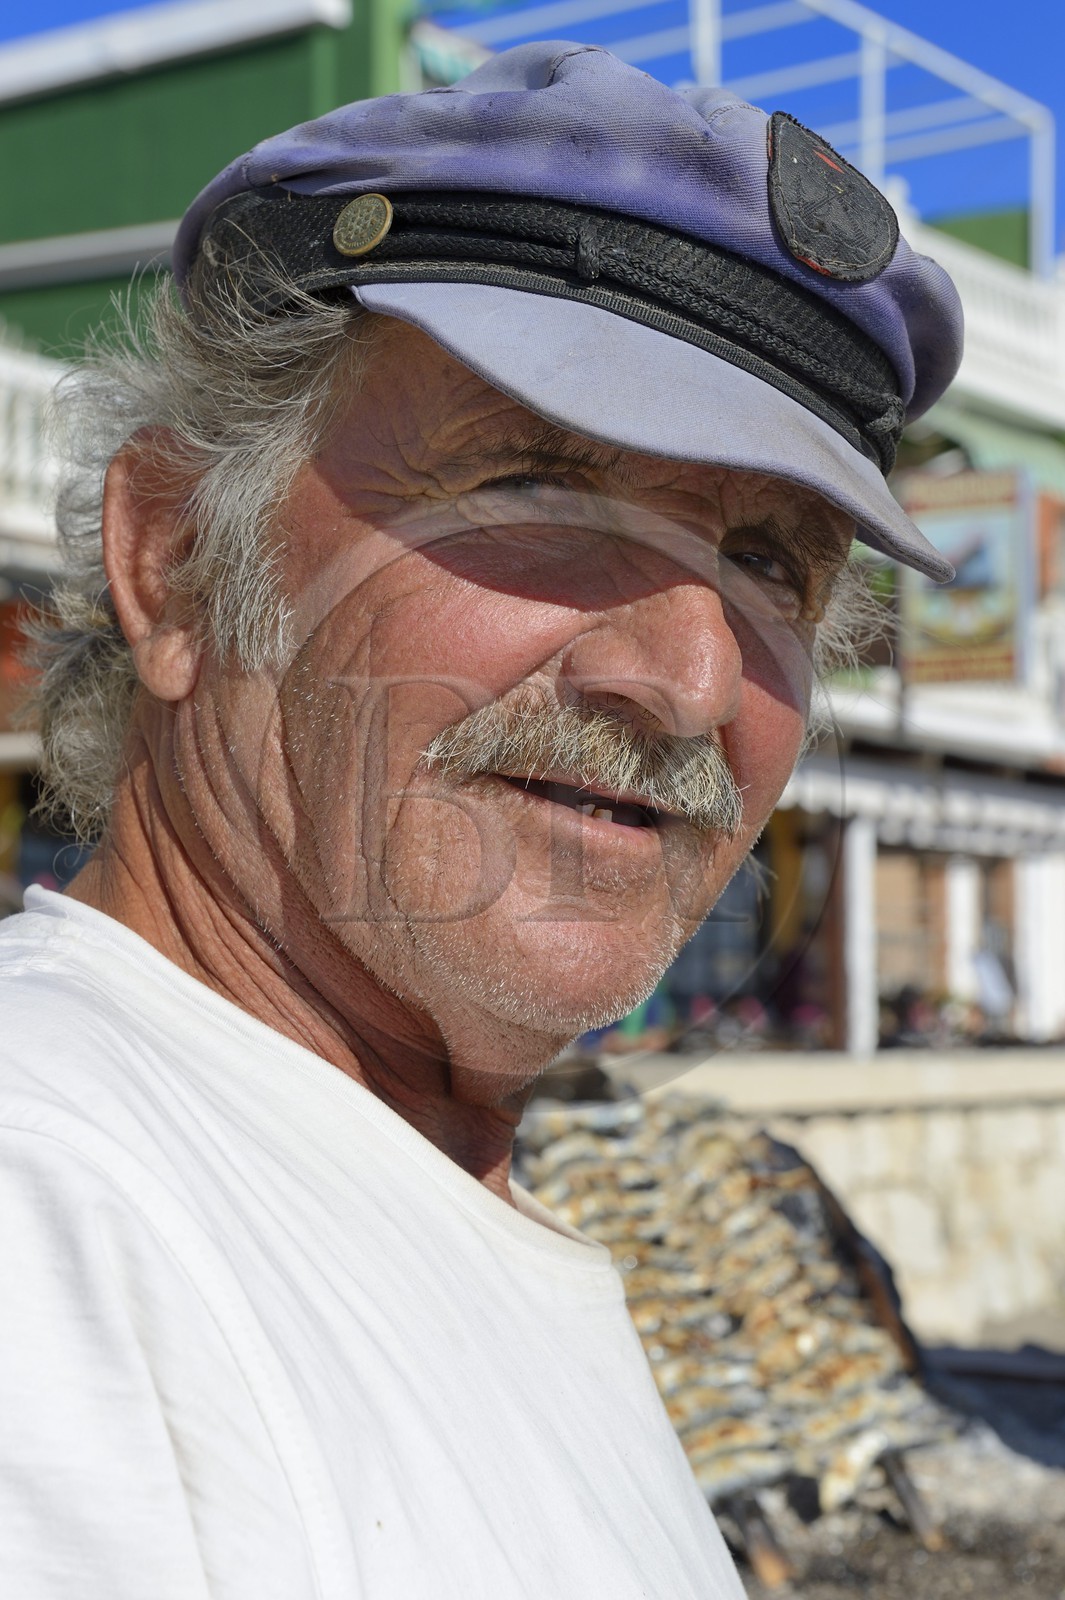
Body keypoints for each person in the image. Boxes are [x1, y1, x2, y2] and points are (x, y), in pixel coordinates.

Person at [0, 42, 961, 1599]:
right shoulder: (48, 1214)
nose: (690, 678)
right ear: (175, 557)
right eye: (536, 489)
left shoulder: (380, 1189)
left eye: (771, 564)